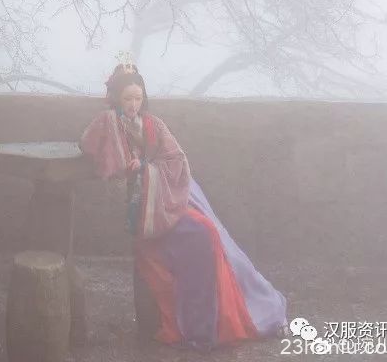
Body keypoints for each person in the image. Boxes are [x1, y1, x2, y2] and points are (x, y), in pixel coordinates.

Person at [80, 58, 287, 350]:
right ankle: (198, 323)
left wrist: (146, 169)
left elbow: (177, 160)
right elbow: (89, 147)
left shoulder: (153, 125)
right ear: (115, 98)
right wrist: (125, 161)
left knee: (210, 233)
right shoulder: (108, 123)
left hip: (171, 197)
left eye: (138, 98)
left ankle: (219, 319)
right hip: (143, 209)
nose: (133, 104)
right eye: (127, 98)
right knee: (202, 235)